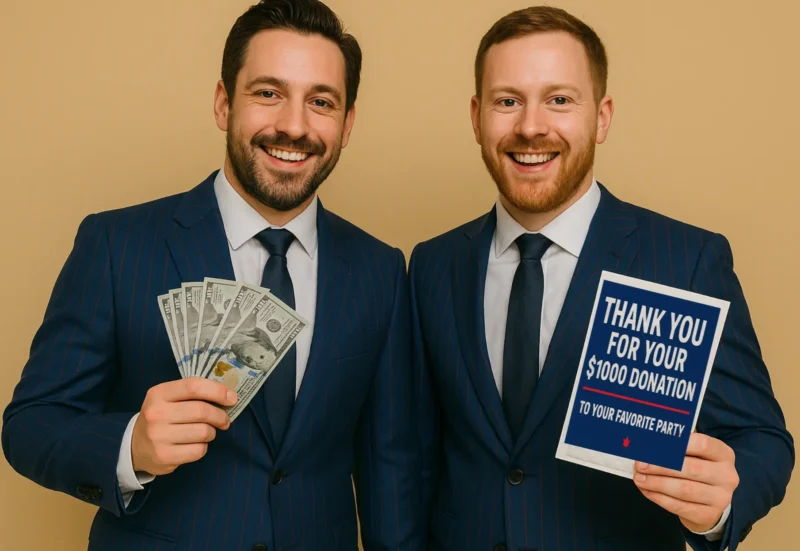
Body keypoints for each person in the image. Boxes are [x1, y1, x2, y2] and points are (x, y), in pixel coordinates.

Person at [2, 1, 421, 550]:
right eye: (267, 93)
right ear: (224, 104)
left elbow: (389, 467)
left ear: (346, 125)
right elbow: (31, 425)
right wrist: (130, 447)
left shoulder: (381, 270)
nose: (294, 125)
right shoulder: (117, 245)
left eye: (321, 102)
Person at [410, 6, 793, 551]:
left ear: (603, 116)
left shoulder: (686, 259)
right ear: (476, 116)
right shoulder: (432, 265)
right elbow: (414, 455)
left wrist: (721, 503)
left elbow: (763, 438)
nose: (531, 126)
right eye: (507, 101)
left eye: (559, 99)